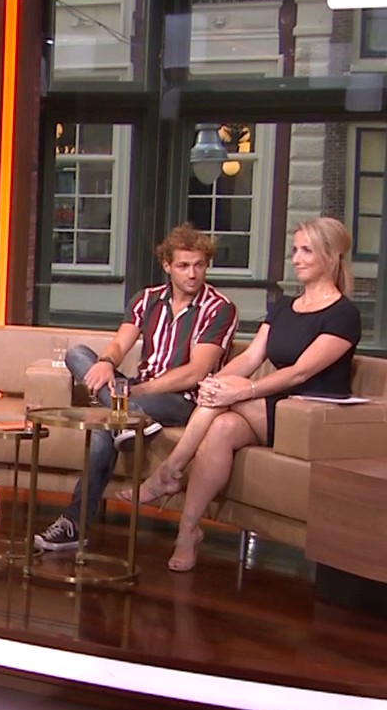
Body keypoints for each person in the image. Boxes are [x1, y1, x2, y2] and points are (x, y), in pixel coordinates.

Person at [124, 216, 361, 572]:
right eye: (295, 250)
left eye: (306, 251)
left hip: (310, 412)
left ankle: (168, 472)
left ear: (331, 256)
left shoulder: (344, 314)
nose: (296, 259)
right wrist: (215, 382)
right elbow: (251, 358)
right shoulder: (284, 307)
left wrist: (242, 390)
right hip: (273, 405)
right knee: (220, 427)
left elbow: (301, 372)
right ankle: (188, 532)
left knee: (222, 404)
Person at [33, 224, 237, 552]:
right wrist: (106, 362)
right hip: (138, 391)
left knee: (105, 426)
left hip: (183, 399)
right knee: (77, 355)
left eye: (199, 265)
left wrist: (136, 393)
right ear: (167, 265)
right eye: (184, 265)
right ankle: (129, 419)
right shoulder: (147, 300)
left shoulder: (220, 308)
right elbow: (119, 345)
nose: (193, 273)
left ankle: (74, 521)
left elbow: (196, 372)